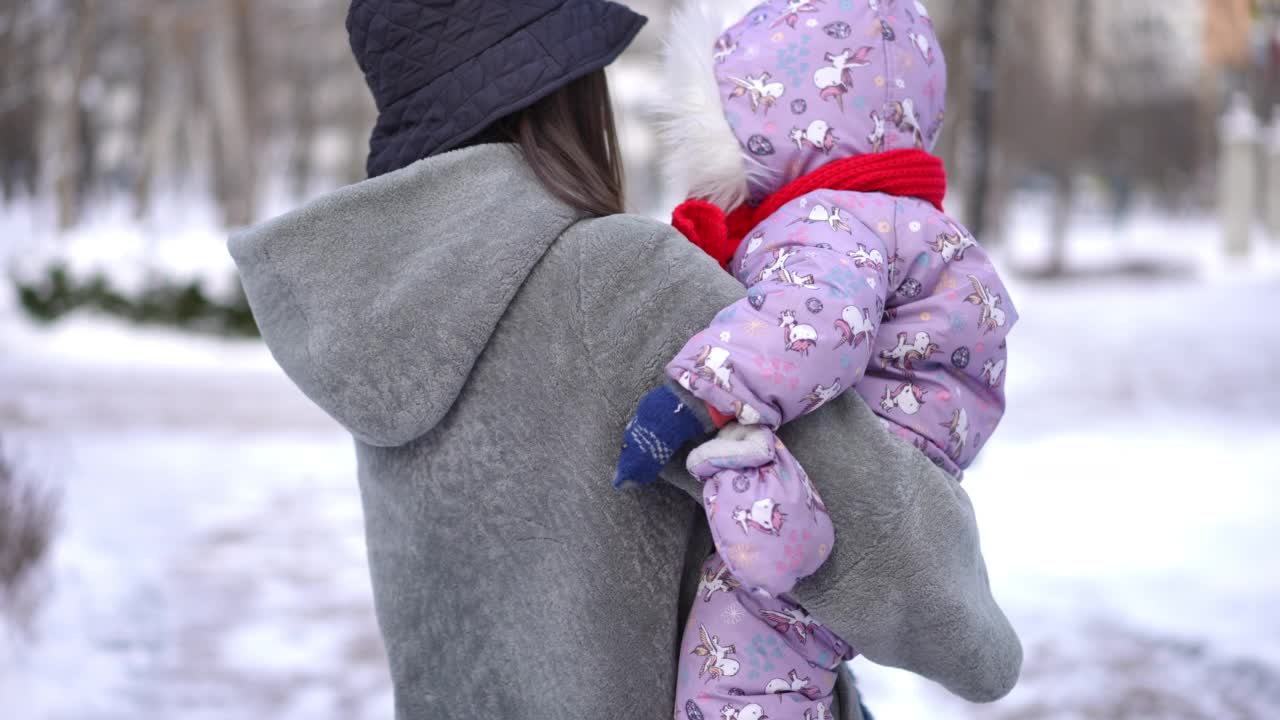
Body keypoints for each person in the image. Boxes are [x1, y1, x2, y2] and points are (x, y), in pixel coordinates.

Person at [228, 1, 1021, 717]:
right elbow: (907, 569)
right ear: (569, 93)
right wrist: (979, 634)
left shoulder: (393, 311)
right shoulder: (614, 282)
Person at [607, 3, 1017, 718]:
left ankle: (773, 515)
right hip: (910, 451)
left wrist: (692, 395)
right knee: (782, 633)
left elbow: (816, 324)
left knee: (740, 652)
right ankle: (770, 512)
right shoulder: (901, 217)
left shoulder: (830, 221)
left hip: (870, 453)